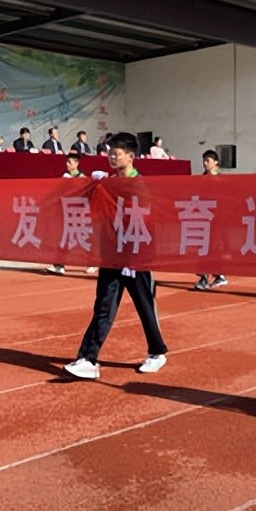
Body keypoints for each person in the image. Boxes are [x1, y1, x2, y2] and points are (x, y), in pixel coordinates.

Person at [64, 132, 168, 379]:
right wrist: (93, 186)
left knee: (145, 306)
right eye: (110, 153)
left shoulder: (141, 184)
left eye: (116, 153)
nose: (111, 157)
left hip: (136, 256)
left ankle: (157, 352)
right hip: (112, 254)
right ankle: (88, 358)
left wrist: (135, 258)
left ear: (130, 157)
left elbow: (144, 221)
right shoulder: (109, 182)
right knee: (103, 306)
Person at [194, 149, 228, 290]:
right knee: (204, 246)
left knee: (210, 246)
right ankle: (215, 275)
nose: (205, 163)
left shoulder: (221, 179)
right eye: (204, 161)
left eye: (208, 161)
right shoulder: (202, 178)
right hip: (203, 217)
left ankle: (207, 276)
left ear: (216, 162)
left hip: (216, 218)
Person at [48, 153, 85, 275]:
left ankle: (92, 262)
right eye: (67, 162)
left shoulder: (83, 178)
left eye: (70, 162)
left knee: (83, 238)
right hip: (65, 212)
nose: (67, 165)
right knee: (64, 238)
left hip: (78, 213)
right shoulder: (64, 177)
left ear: (77, 163)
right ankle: (59, 265)